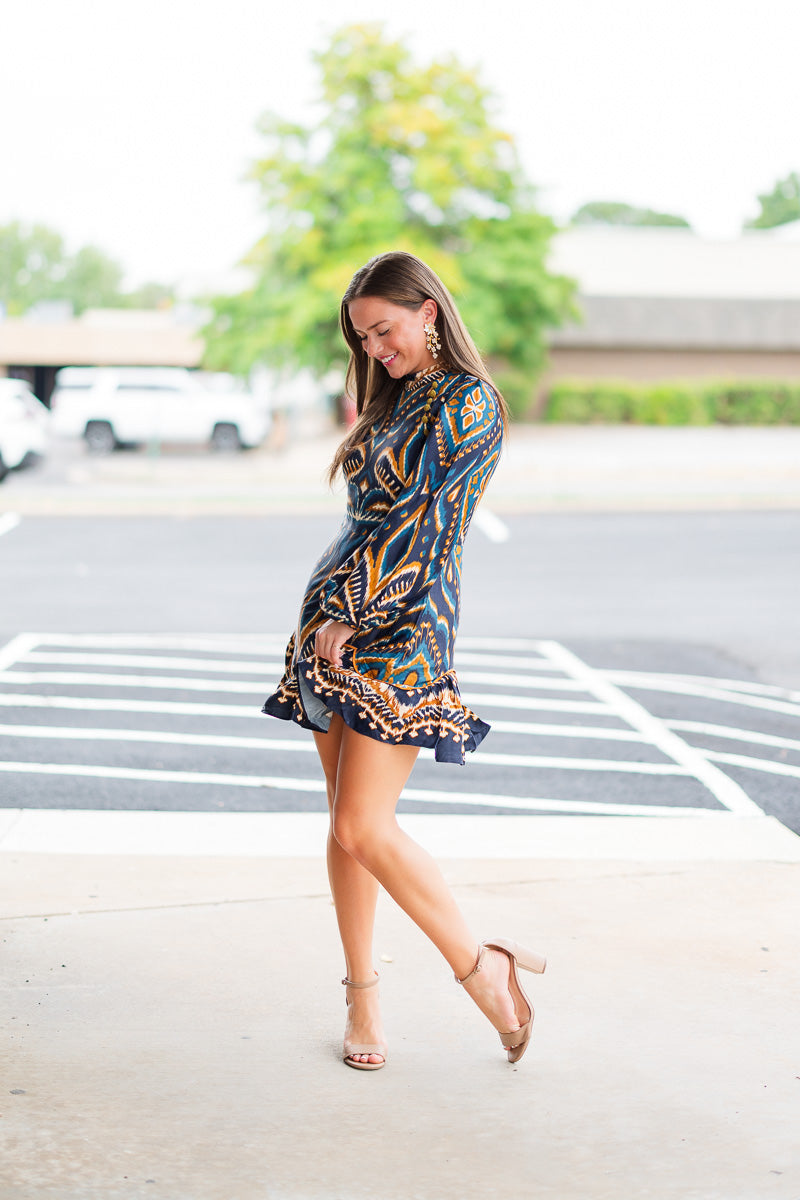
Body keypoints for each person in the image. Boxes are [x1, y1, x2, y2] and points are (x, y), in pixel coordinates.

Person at [263, 251, 546, 1070]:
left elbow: (424, 529)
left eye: (385, 331)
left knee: (364, 823)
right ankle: (363, 999)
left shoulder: (469, 402)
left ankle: (483, 969)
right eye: (364, 338)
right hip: (334, 625)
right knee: (344, 829)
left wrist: (355, 614)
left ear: (429, 311)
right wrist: (334, 614)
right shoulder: (394, 399)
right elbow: (365, 520)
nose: (377, 349)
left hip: (399, 629)